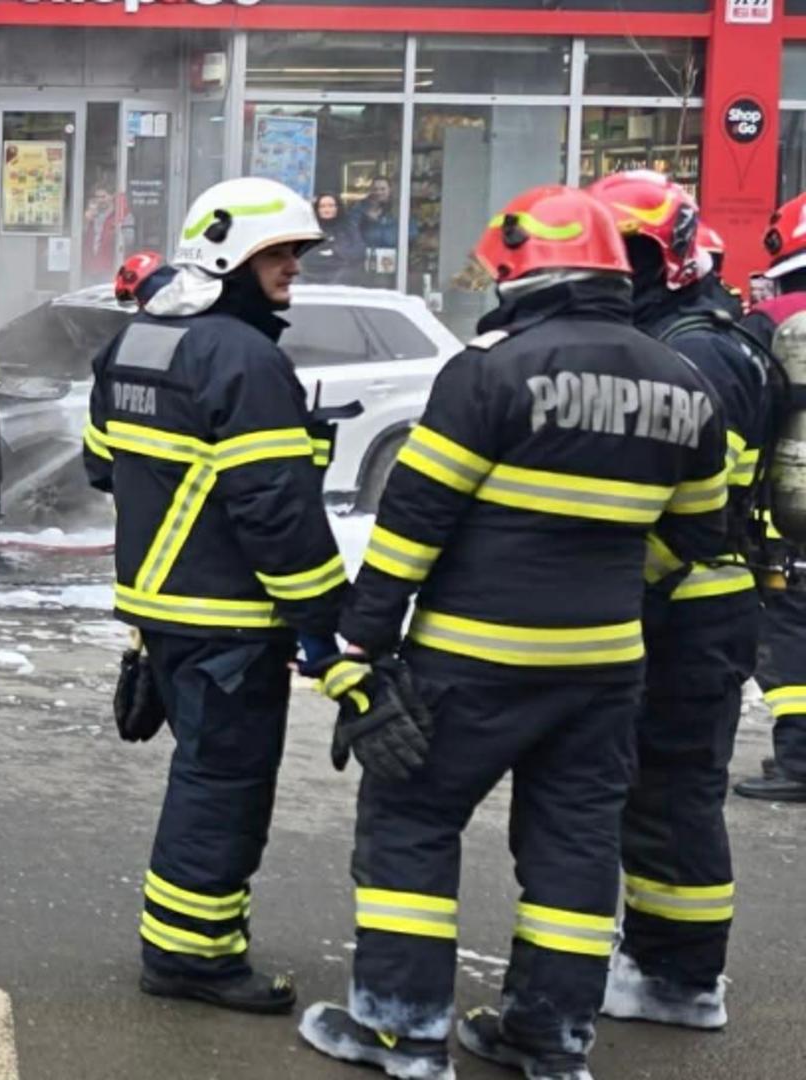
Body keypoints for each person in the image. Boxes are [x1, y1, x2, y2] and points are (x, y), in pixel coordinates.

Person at [298, 186, 729, 1080]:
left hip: (472, 658)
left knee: (411, 820)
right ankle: (550, 1039)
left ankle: (402, 1030)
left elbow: (415, 518)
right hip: (605, 669)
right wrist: (608, 591)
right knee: (574, 845)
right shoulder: (684, 384)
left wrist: (361, 642)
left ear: (527, 273)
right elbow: (694, 532)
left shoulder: (489, 373)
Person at [84, 177, 346, 1014]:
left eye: (296, 254)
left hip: (162, 607)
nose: (293, 269)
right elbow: (276, 510)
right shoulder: (244, 358)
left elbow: (101, 463)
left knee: (205, 775)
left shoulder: (135, 343)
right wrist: (324, 622)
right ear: (233, 256)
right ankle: (192, 955)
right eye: (280, 254)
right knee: (225, 781)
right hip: (230, 614)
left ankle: (188, 942)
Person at [588, 172, 761, 1030]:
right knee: (653, 789)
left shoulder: (700, 354)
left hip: (692, 607)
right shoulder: (674, 337)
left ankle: (679, 979)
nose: (615, 271)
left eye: (633, 255)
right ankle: (663, 959)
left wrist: (604, 582)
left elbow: (696, 507)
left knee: (673, 793)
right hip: (679, 604)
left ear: (677, 258)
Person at [735, 190, 806, 803]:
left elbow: (744, 408)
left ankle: (800, 760)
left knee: (788, 634)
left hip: (790, 514)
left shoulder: (774, 317)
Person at [306, 194, 368, 285]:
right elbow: (304, 256)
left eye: (331, 206)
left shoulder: (348, 228)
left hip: (342, 281)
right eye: (322, 206)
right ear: (317, 209)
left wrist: (335, 251)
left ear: (338, 208)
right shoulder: (310, 229)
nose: (327, 210)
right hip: (310, 281)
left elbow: (358, 251)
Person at [355, 177, 401, 252]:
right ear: (370, 190)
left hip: (394, 254)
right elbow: (350, 227)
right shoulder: (361, 207)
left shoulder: (398, 207)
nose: (378, 192)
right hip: (368, 253)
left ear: (390, 190)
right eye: (375, 189)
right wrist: (364, 218)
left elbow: (411, 232)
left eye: (383, 189)